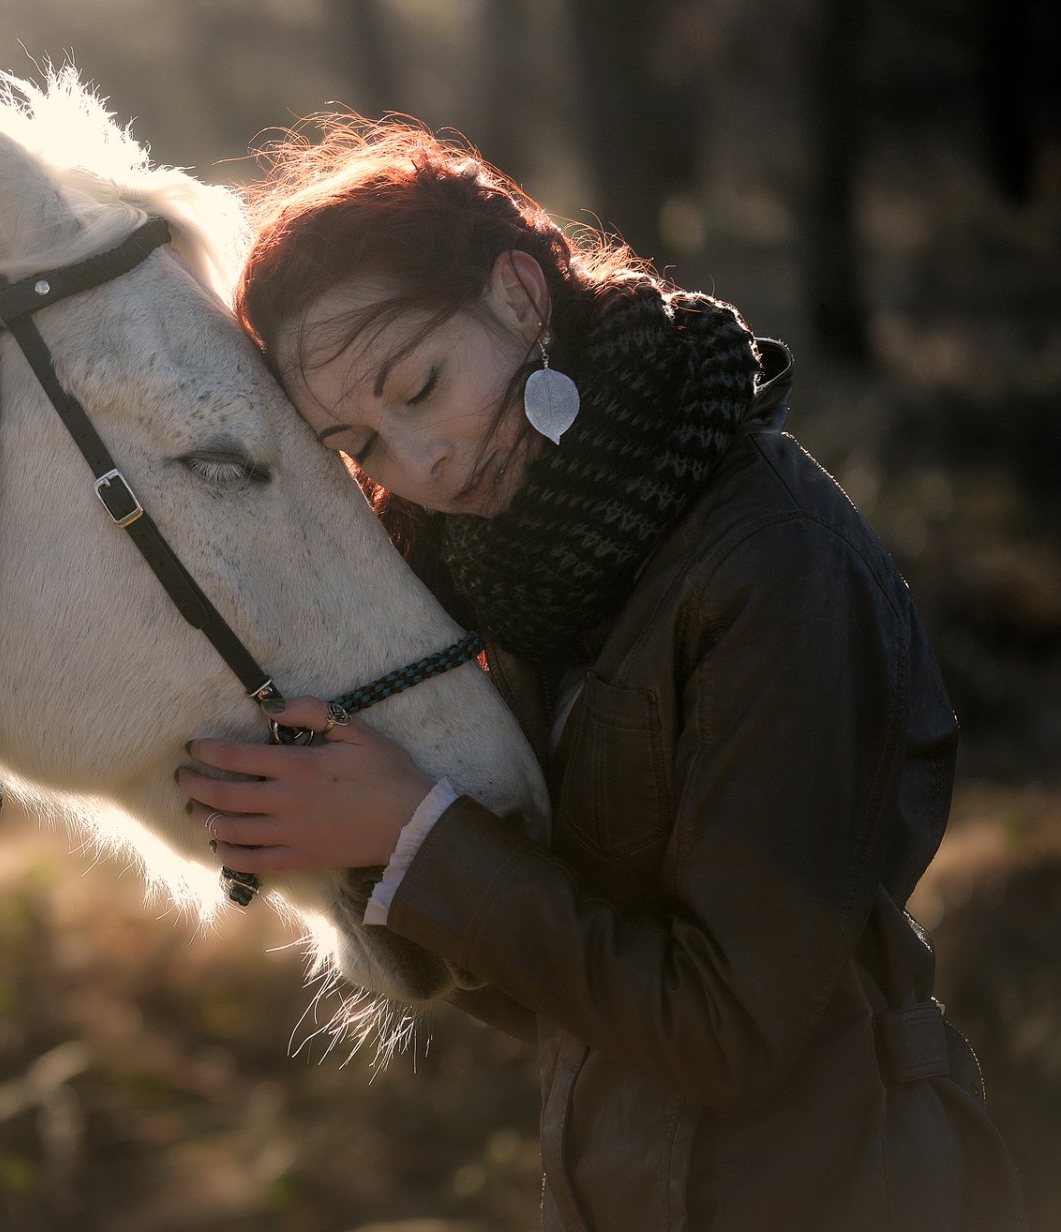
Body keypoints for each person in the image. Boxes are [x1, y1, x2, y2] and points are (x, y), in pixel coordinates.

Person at [175, 120, 1027, 1231]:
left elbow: (729, 1025)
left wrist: (420, 835)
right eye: (363, 444)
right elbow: (580, 992)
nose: (419, 463)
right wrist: (358, 842)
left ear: (520, 296)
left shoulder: (770, 558)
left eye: (420, 383)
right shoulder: (522, 573)